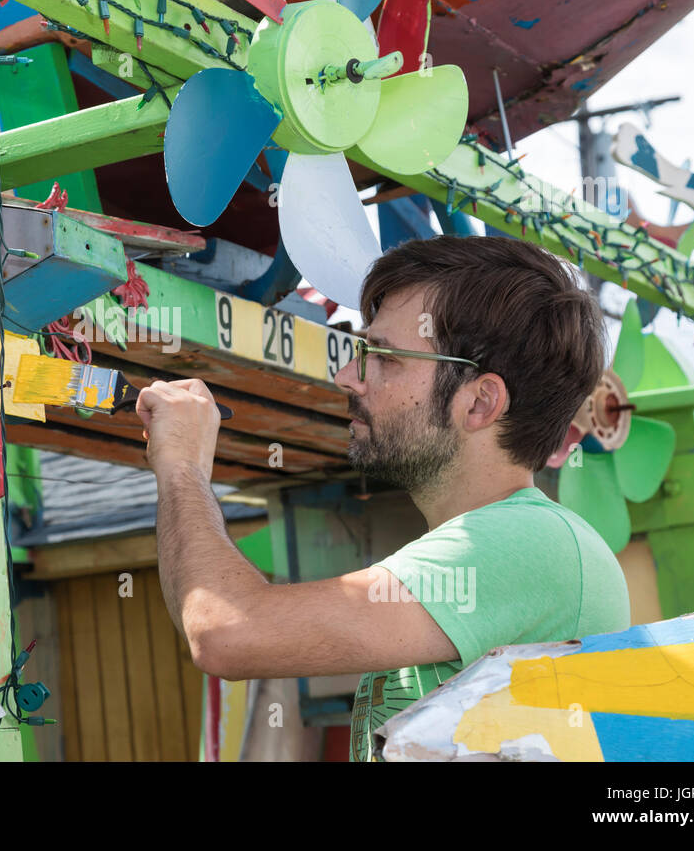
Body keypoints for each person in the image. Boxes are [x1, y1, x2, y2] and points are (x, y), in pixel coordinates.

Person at [136, 235, 632, 762]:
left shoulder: (532, 544)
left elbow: (226, 632)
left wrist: (183, 467)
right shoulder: (500, 547)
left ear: (481, 401)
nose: (348, 376)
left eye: (384, 357)